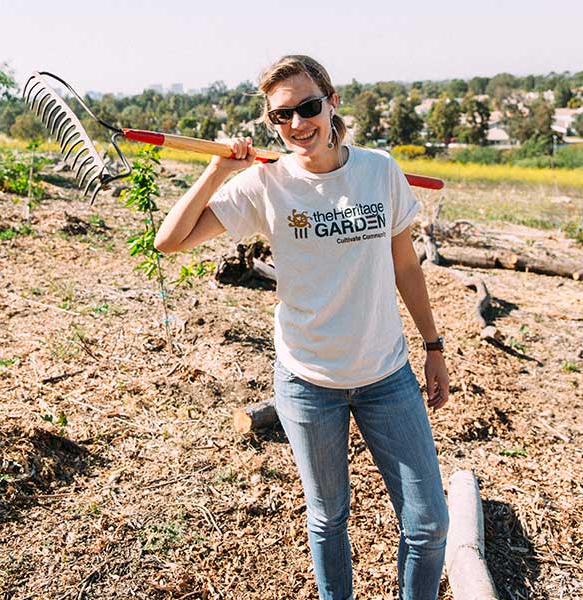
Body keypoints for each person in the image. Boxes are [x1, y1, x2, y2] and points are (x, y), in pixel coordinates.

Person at [155, 55, 450, 600]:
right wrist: (219, 169)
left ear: (331, 102)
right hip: (308, 383)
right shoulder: (266, 182)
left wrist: (433, 347)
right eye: (281, 116)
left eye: (307, 108)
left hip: (387, 374)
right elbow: (169, 241)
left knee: (429, 524)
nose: (296, 125)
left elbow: (405, 266)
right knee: (329, 518)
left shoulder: (379, 170)